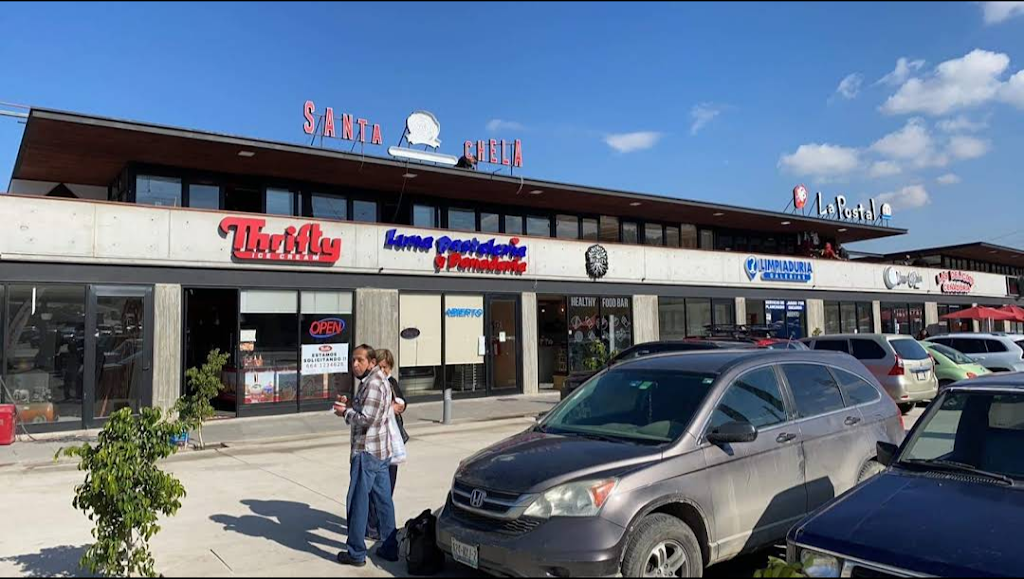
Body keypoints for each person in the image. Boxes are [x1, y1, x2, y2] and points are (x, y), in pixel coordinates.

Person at [334, 345, 400, 567]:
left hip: (367, 452)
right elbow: (371, 411)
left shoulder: (372, 383)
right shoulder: (380, 380)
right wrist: (351, 404)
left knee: (357, 502)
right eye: (353, 360)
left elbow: (366, 419)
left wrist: (345, 412)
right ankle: (390, 547)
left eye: (360, 360)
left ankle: (356, 553)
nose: (355, 364)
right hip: (380, 451)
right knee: (383, 501)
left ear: (371, 362)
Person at [366, 348, 408, 541]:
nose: (383, 371)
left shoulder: (391, 383)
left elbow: (402, 401)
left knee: (388, 488)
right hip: (376, 443)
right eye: (380, 367)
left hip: (392, 442)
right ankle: (371, 526)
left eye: (386, 367)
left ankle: (382, 525)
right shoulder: (371, 384)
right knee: (377, 489)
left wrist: (401, 406)